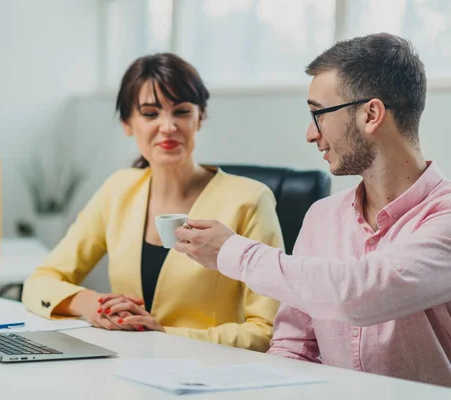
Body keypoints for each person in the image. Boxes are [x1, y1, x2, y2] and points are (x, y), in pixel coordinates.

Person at [174, 33, 451, 386]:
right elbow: (293, 346)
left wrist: (233, 252)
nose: (310, 133)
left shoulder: (444, 217)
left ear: (371, 114)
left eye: (318, 114)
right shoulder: (321, 217)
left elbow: (360, 294)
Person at [22, 53, 284, 350]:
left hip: (208, 374)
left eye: (182, 111)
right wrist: (92, 304)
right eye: (150, 113)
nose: (168, 126)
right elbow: (39, 283)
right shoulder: (118, 190)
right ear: (127, 123)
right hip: (125, 369)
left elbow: (268, 331)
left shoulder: (248, 200)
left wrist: (164, 334)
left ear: (200, 117)